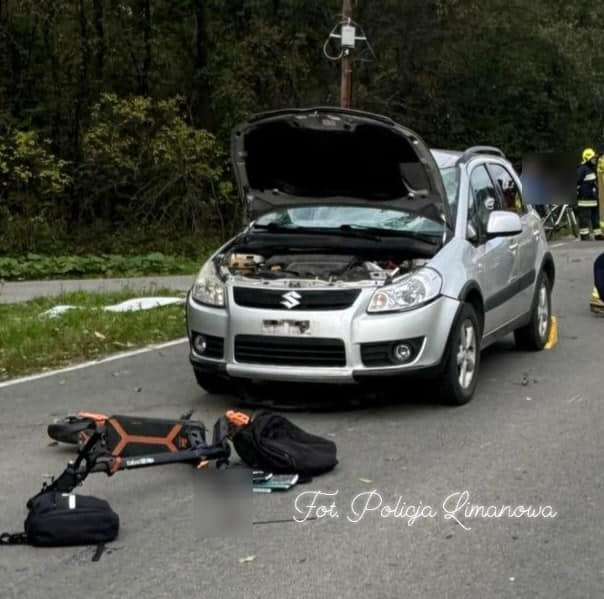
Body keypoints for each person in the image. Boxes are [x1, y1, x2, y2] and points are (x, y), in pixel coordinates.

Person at [576, 147, 603, 240]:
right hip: (584, 200)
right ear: (587, 159)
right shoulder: (582, 169)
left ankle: (598, 234)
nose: (594, 159)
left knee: (595, 218)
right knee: (584, 218)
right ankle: (584, 235)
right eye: (593, 158)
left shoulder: (591, 168)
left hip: (593, 199)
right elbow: (576, 181)